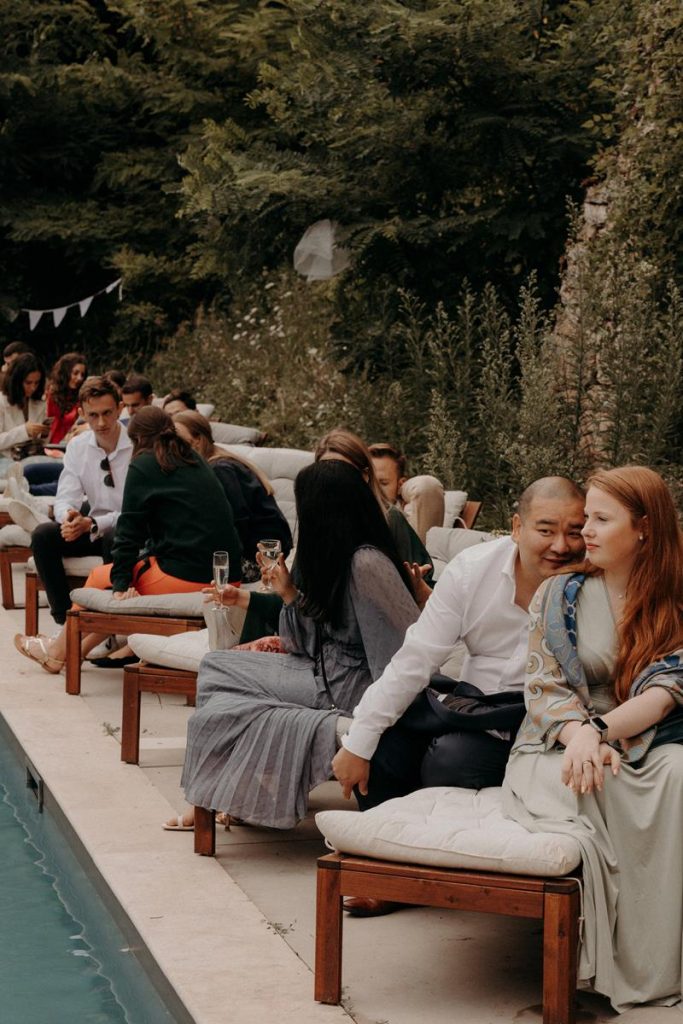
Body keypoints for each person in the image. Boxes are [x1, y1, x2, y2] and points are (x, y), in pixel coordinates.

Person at [330, 476, 585, 914]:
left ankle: (433, 879)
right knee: (383, 747)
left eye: (575, 530)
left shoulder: (590, 587)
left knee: (451, 759)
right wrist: (358, 741)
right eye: (546, 530)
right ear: (517, 527)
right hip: (471, 704)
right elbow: (416, 658)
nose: (560, 544)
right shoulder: (472, 570)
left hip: (539, 721)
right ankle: (386, 869)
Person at [502, 466, 683, 1012]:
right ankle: (603, 964)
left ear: (645, 528)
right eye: (590, 521)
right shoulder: (559, 593)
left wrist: (603, 732)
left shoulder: (674, 600)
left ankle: (658, 963)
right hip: (554, 741)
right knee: (593, 779)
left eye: (602, 520)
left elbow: (669, 688)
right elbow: (542, 683)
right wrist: (581, 733)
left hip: (639, 737)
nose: (588, 533)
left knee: (678, 772)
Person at [169, 459, 421, 831]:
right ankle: (224, 793)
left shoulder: (367, 564)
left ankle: (214, 798)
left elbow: (397, 657)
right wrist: (289, 592)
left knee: (225, 687)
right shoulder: (334, 556)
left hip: (351, 687)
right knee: (216, 667)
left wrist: (368, 720)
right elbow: (301, 642)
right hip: (323, 670)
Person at [15, 405, 242, 672]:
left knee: (100, 579)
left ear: (136, 439)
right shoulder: (192, 459)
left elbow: (128, 532)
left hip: (192, 576)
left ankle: (56, 652)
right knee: (122, 580)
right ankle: (73, 651)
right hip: (226, 574)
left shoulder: (145, 464)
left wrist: (121, 585)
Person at [27, 376, 133, 626]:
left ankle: (110, 623)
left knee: (114, 535)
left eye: (107, 413)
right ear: (81, 412)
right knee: (43, 535)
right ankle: (67, 622)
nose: (101, 422)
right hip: (91, 527)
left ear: (120, 408)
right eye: (93, 415)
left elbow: (136, 512)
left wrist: (93, 523)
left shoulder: (137, 445)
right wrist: (69, 518)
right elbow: (65, 497)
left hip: (126, 532)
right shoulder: (77, 446)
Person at [173, 410, 292, 579]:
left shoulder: (220, 469)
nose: (173, 447)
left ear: (197, 440)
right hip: (253, 552)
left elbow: (236, 523)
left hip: (261, 561)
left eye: (179, 441)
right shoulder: (213, 465)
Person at [368, 442, 445, 543]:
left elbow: (427, 486)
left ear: (400, 484)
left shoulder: (410, 517)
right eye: (368, 482)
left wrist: (404, 490)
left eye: (383, 483)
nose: (374, 490)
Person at [0, 352, 48, 476]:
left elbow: (42, 443)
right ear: (16, 381)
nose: (33, 388)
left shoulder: (39, 403)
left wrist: (44, 433)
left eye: (37, 383)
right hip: (7, 461)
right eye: (28, 382)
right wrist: (24, 431)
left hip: (33, 458)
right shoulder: (1, 402)